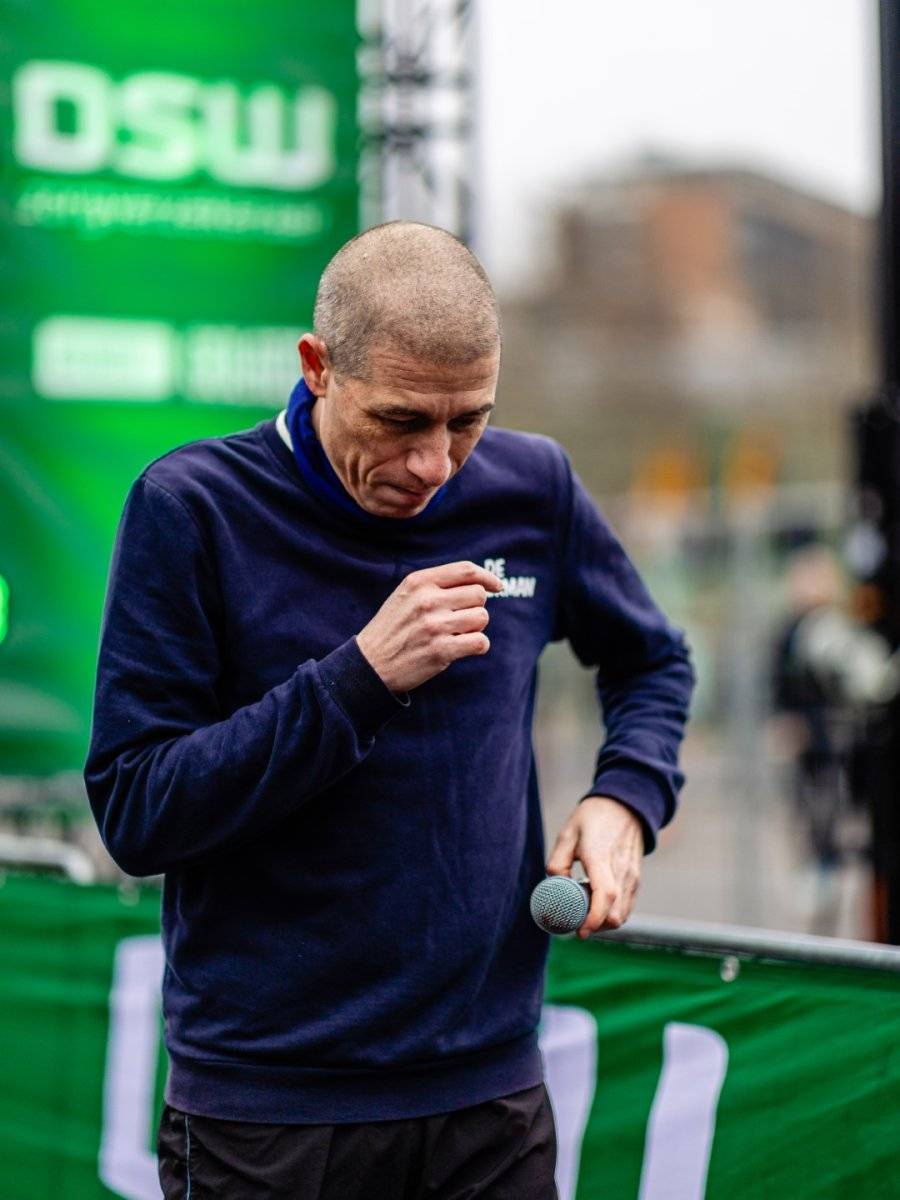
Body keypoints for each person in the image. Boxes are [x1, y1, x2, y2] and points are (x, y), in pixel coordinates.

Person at [85, 221, 694, 1199]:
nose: (436, 463)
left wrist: (626, 796)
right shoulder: (191, 507)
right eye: (402, 421)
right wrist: (359, 678)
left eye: (469, 421)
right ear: (317, 367)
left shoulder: (533, 486)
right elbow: (136, 811)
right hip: (268, 1111)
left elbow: (654, 660)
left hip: (491, 1097)